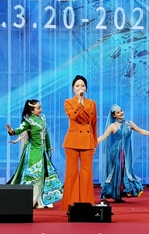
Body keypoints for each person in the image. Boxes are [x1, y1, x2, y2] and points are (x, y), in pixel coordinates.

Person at [97, 104, 149, 202]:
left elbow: (141, 131)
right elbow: (103, 136)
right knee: (115, 172)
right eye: (118, 112)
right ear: (114, 115)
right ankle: (108, 194)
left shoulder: (129, 123)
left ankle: (119, 195)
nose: (121, 113)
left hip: (126, 153)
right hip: (116, 152)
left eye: (121, 110)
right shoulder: (113, 126)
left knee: (125, 172)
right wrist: (92, 143)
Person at [7, 99, 63, 208]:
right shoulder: (28, 121)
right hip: (33, 151)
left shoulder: (42, 119)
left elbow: (46, 135)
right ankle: (30, 200)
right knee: (34, 175)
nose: (40, 109)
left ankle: (39, 200)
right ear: (32, 111)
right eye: (38, 108)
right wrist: (12, 132)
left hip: (42, 152)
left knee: (42, 175)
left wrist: (48, 148)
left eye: (40, 107)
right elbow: (19, 129)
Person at [59, 75, 98, 211]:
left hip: (87, 140)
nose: (80, 88)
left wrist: (94, 141)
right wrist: (79, 101)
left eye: (83, 86)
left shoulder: (92, 103)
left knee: (87, 174)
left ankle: (87, 204)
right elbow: (73, 116)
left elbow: (93, 123)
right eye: (77, 86)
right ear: (73, 89)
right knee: (72, 173)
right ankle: (70, 204)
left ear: (86, 88)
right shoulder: (68, 102)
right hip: (73, 140)